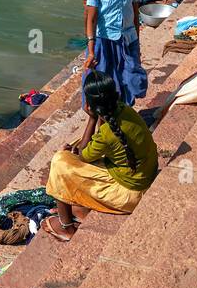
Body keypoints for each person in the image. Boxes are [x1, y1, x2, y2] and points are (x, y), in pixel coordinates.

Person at [43, 73, 158, 241]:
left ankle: (66, 227)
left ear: (89, 104)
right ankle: (78, 206)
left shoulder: (106, 134)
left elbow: (84, 155)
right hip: (143, 178)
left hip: (129, 195)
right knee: (75, 148)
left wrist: (91, 119)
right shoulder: (125, 110)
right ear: (115, 96)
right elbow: (96, 143)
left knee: (60, 162)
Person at [84, 0, 146, 106]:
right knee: (104, 89)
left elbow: (134, 15)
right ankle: (104, 125)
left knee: (131, 83)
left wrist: (137, 44)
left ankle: (124, 119)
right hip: (104, 42)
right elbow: (91, 19)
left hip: (128, 40)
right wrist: (91, 50)